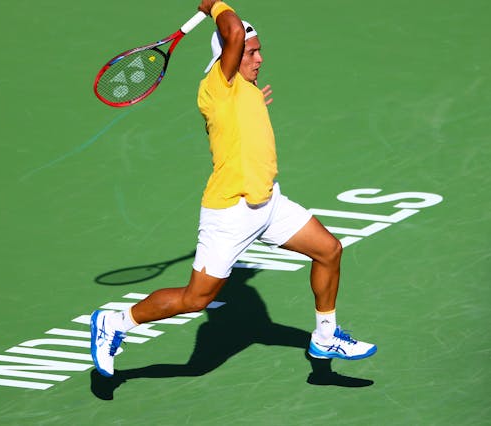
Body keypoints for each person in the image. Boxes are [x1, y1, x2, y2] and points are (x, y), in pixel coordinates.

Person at [90, 0, 376, 378]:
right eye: (251, 53)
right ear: (230, 53)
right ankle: (115, 322)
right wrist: (214, 5)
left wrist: (253, 99)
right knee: (196, 299)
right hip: (231, 212)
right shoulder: (216, 86)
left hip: (269, 203)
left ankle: (325, 337)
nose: (259, 59)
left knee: (329, 250)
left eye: (259, 52)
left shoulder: (244, 90)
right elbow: (235, 32)